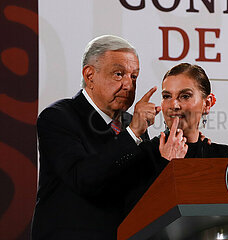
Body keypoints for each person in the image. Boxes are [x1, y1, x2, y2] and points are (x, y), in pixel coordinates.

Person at [31, 35, 186, 240]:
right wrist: (131, 133)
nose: (128, 85)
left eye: (134, 77)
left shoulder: (131, 123)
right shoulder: (58, 117)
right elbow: (84, 179)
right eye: (118, 74)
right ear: (89, 75)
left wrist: (165, 161)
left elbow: (140, 193)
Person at [140, 63, 228, 160]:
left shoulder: (226, 157)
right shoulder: (143, 154)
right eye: (167, 96)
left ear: (207, 104)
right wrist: (166, 161)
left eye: (185, 96)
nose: (174, 105)